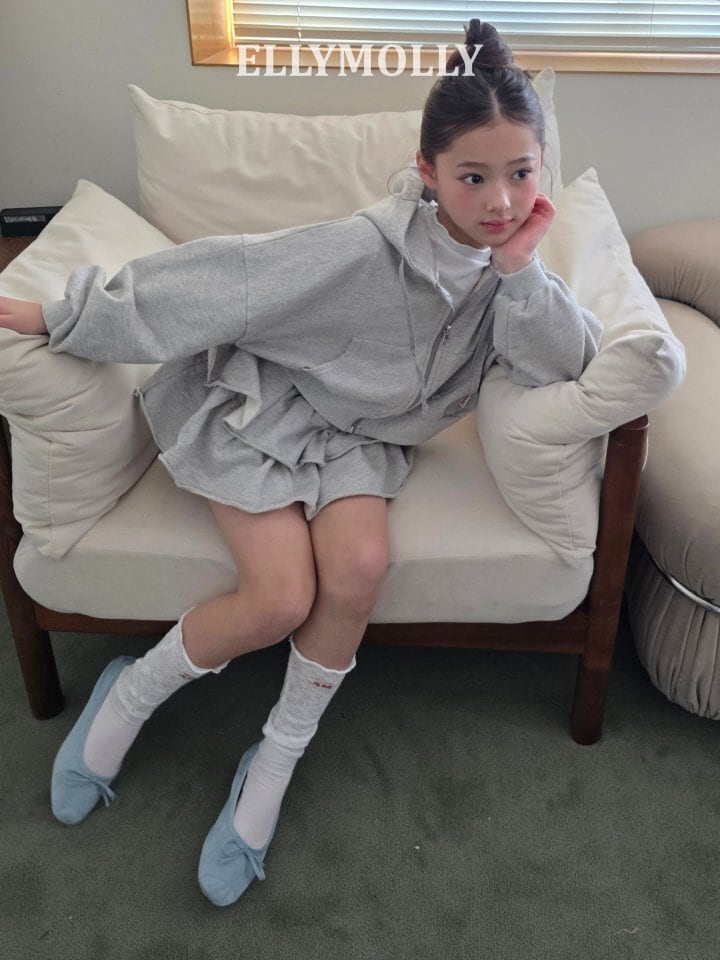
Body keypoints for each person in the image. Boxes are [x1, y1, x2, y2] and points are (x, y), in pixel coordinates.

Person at [0, 20, 602, 907]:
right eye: (473, 176)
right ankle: (127, 696)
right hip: (262, 406)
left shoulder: (517, 274)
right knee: (279, 598)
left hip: (361, 439)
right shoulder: (361, 246)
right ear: (429, 170)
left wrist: (517, 271)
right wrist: (63, 316)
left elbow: (569, 359)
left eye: (521, 173)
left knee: (359, 567)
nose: (500, 201)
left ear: (543, 170)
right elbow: (225, 278)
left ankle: (273, 759)